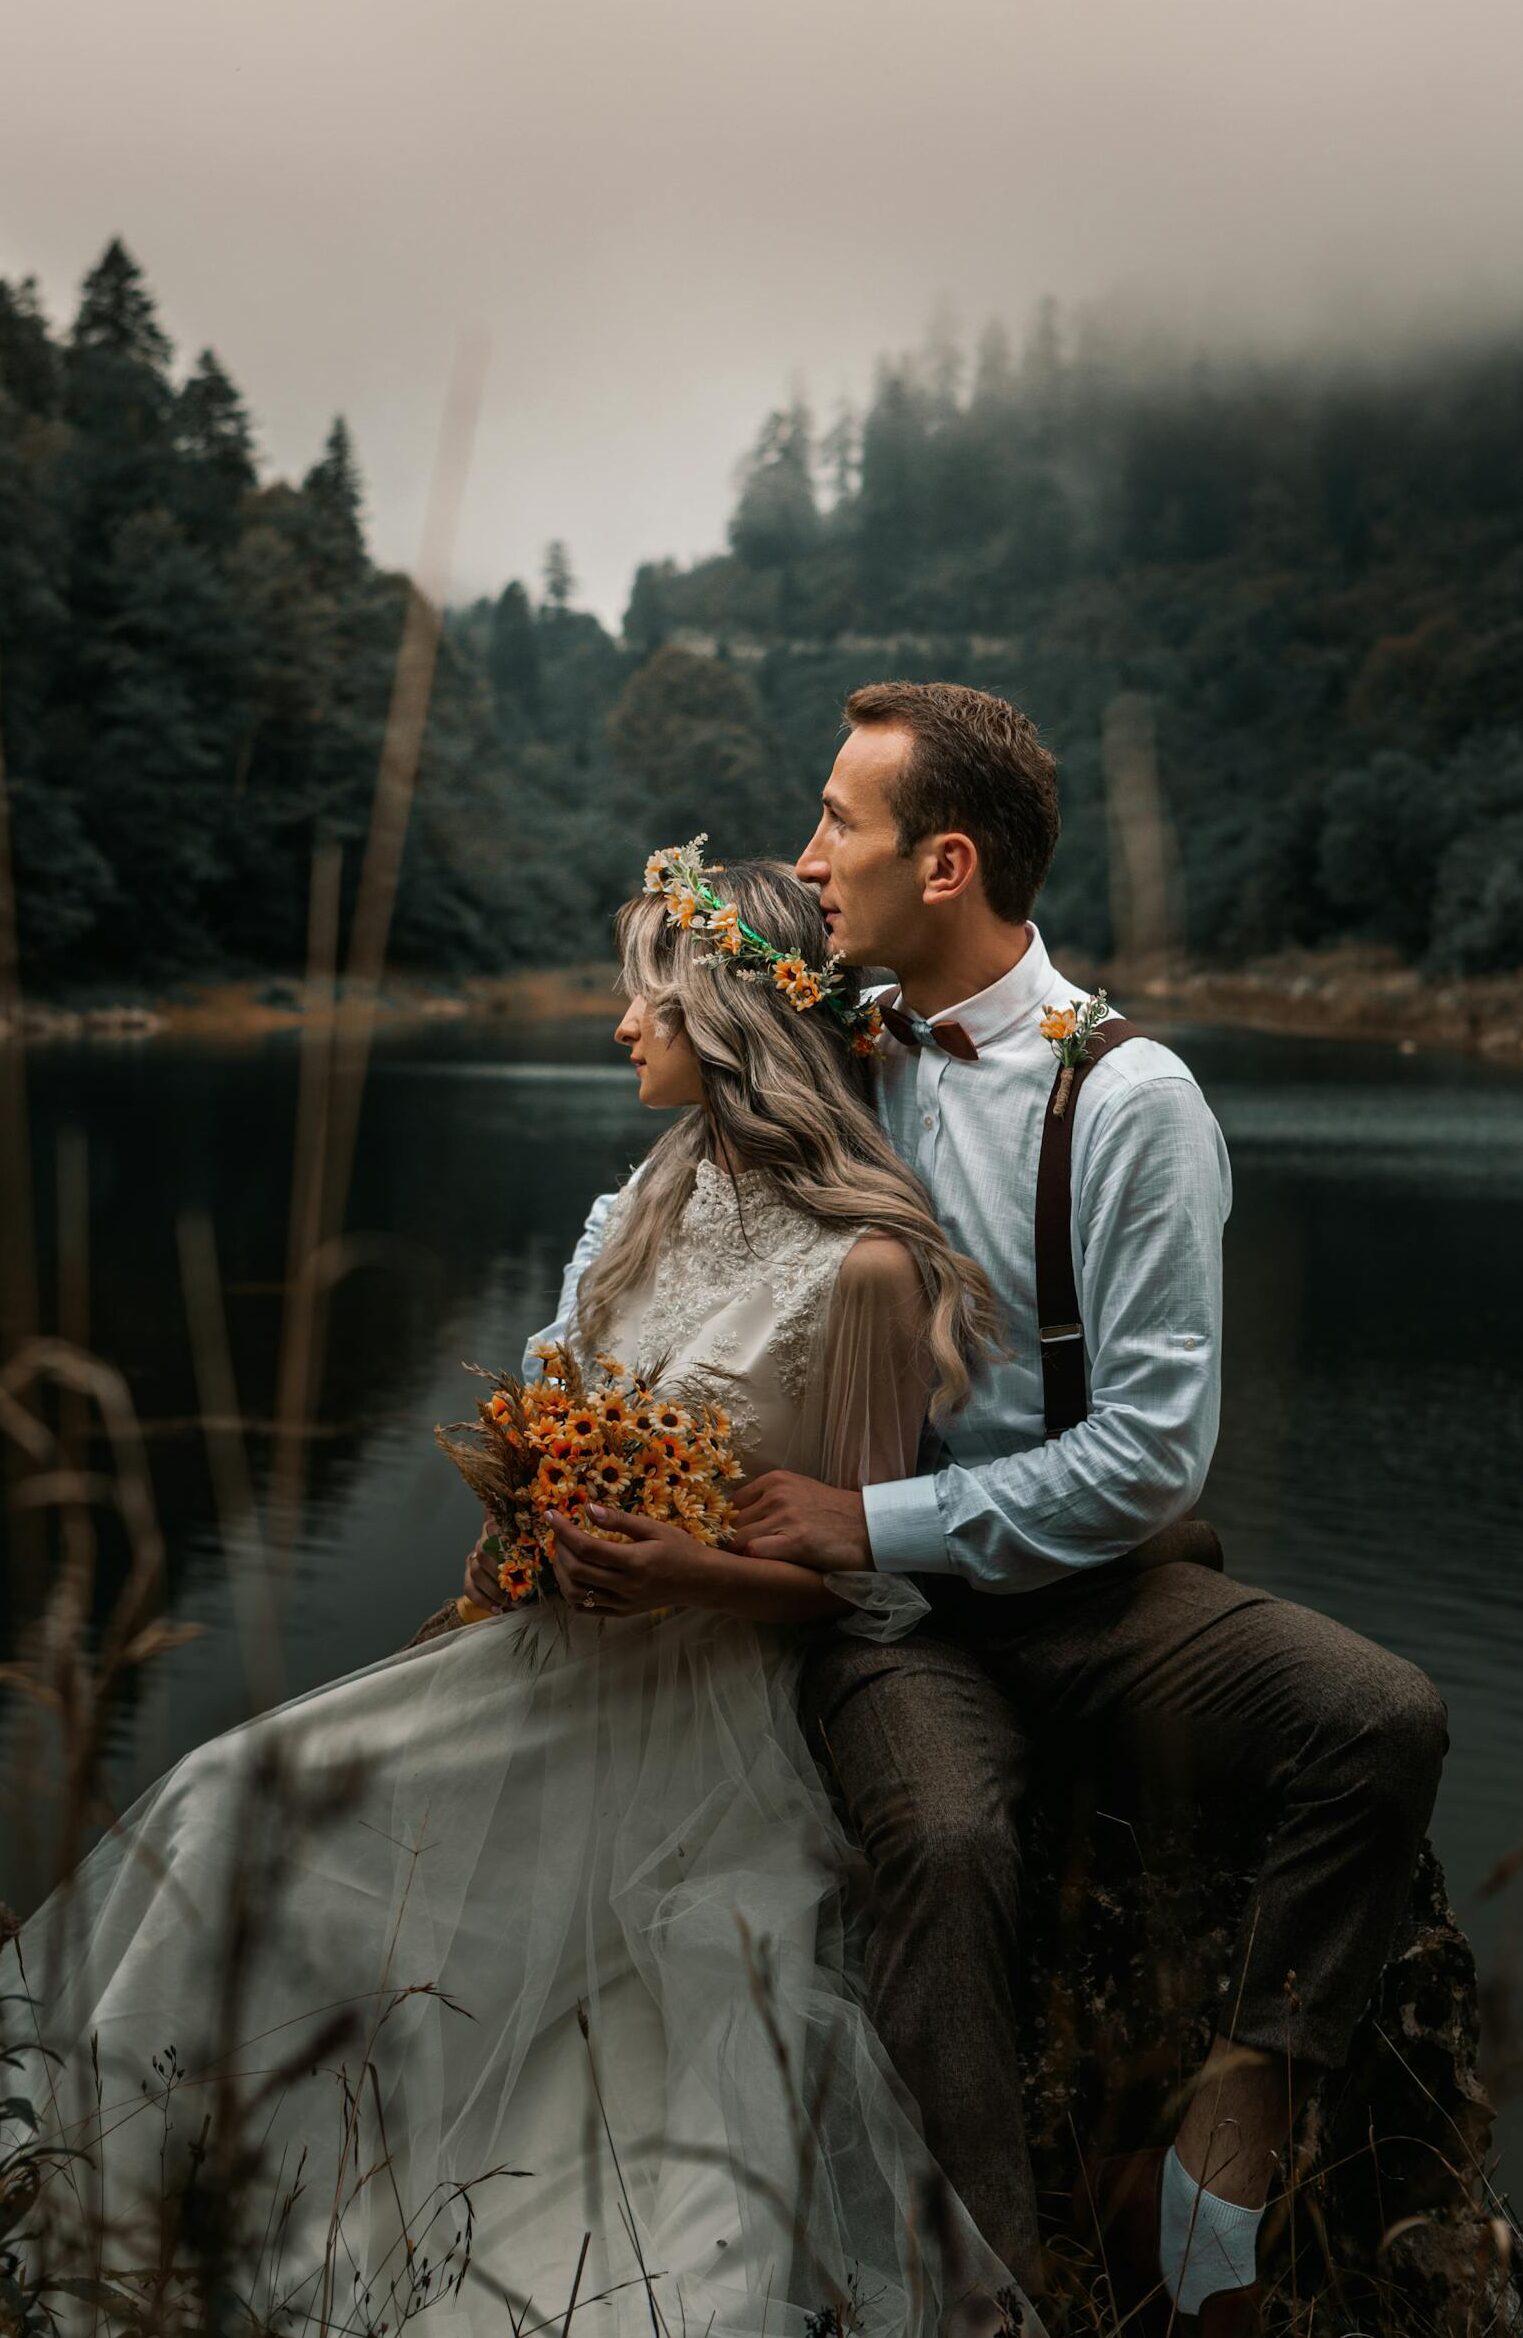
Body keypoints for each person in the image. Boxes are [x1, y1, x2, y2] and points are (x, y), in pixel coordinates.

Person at [5, 858, 1029, 2338]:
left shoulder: (864, 1269)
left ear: (732, 1014)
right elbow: (548, 1427)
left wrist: (689, 1568)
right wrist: (526, 1525)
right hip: (538, 1652)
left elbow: (853, 1588)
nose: (623, 1022)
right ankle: (97, 2216)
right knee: (231, 1791)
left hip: (698, 1714)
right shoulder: (638, 1209)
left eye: (649, 994)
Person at [728, 680, 1448, 2331]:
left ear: (948, 862)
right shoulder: (839, 1053)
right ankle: (984, 2294)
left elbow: (1149, 1456)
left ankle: (1233, 2117)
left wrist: (865, 1519)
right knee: (953, 1837)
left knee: (1383, 1716)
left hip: (1096, 1596)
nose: (807, 855)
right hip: (900, 1634)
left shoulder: (1131, 1102)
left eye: (840, 820)